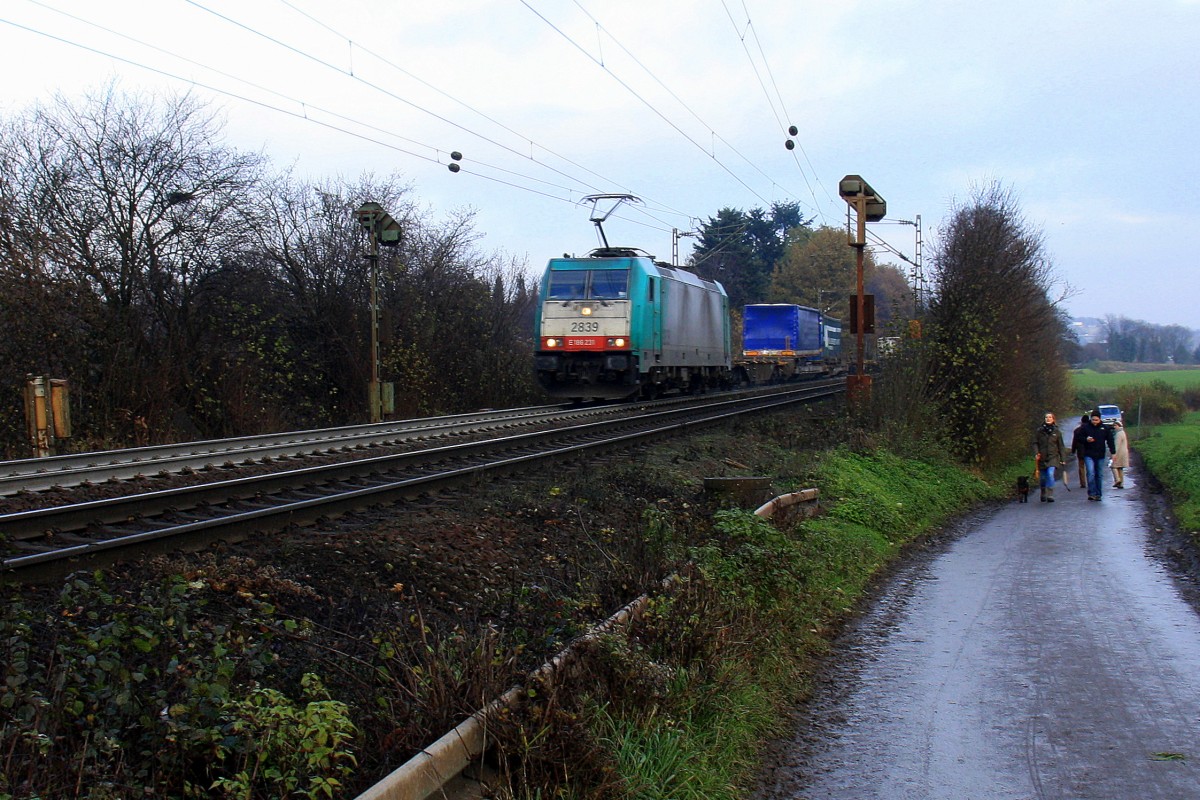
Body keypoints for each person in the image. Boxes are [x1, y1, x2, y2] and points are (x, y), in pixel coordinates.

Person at [1079, 411, 1116, 501]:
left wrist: (1113, 452)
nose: (1095, 422)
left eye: (1096, 420)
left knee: (1099, 474)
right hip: (1089, 454)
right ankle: (1091, 493)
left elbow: (1110, 440)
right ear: (1090, 419)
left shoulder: (1105, 428)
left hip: (1100, 454)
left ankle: (1098, 494)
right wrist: (1086, 439)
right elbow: (1079, 438)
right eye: (1093, 420)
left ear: (1100, 419)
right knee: (1091, 473)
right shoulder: (1085, 427)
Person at [1034, 412, 1067, 503]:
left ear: (1053, 419)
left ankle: (1050, 494)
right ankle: (1043, 491)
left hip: (1053, 457)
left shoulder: (1057, 432)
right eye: (1046, 417)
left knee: (1050, 474)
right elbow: (1035, 443)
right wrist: (1037, 452)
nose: (1048, 419)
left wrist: (1063, 459)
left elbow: (1061, 446)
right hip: (1042, 458)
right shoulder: (1039, 431)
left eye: (1050, 417)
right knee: (1043, 478)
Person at [1068, 414, 1089, 489]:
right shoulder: (1091, 430)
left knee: (1081, 467)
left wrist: (1073, 450)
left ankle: (1083, 482)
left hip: (1080, 451)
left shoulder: (1077, 430)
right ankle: (1090, 481)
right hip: (1090, 451)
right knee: (1090, 467)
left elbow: (1074, 441)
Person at [1110, 420, 1129, 488]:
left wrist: (1113, 454)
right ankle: (1121, 483)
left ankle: (1117, 480)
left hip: (1119, 453)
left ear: (1119, 426)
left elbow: (1116, 445)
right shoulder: (1123, 432)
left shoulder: (1118, 434)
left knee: (1113, 466)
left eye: (1115, 425)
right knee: (1120, 468)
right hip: (1124, 452)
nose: (1114, 427)